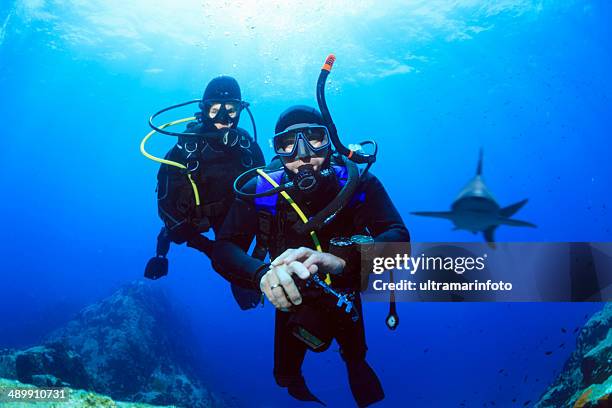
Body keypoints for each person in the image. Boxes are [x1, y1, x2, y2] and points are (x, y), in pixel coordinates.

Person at [210, 105, 410, 406]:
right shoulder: (263, 189)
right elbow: (224, 248)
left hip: (344, 288)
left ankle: (357, 369)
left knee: (356, 356)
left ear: (330, 141)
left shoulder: (357, 184)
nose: (303, 154)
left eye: (315, 138)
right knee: (285, 375)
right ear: (277, 148)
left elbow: (400, 240)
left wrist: (344, 261)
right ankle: (298, 385)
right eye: (288, 143)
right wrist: (262, 274)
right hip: (291, 292)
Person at [144, 75, 265, 309]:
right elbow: (165, 200)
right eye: (215, 110)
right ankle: (165, 252)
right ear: (204, 110)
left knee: (234, 254)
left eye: (231, 110)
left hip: (232, 214)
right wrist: (202, 244)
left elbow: (264, 191)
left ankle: (242, 269)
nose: (223, 118)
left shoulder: (248, 149)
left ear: (240, 110)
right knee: (176, 234)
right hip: (194, 218)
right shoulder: (185, 150)